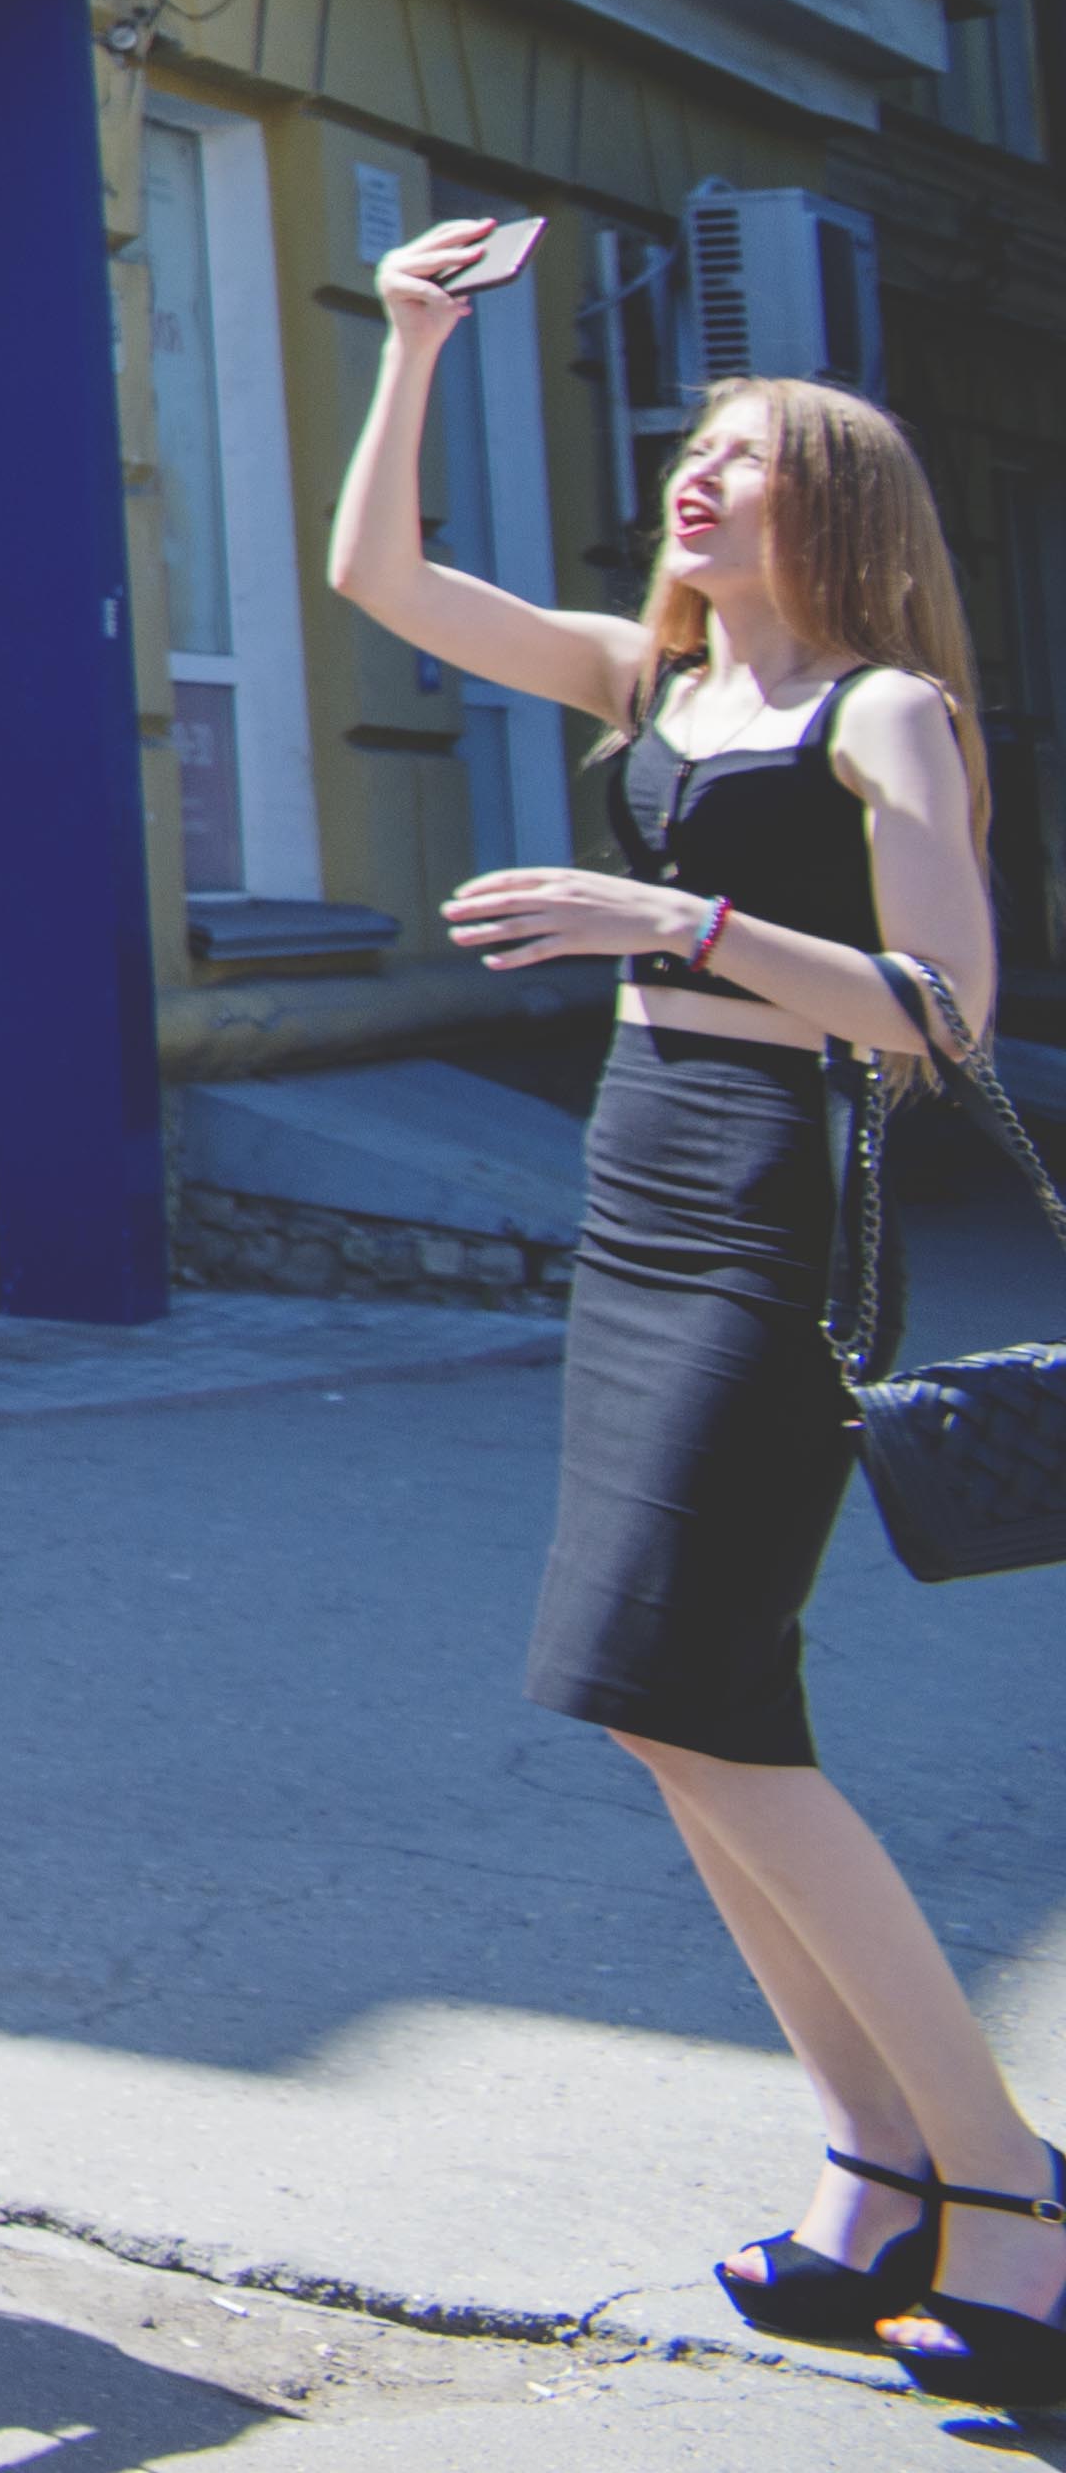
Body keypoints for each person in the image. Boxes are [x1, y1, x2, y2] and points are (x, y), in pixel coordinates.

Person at [330, 259, 1053, 2402]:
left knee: (691, 1693)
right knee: (676, 1704)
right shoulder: (648, 679)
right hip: (636, 1181)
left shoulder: (883, 713)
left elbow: (941, 1016)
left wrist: (673, 915)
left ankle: (1006, 2186)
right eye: (692, 453)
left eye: (743, 458)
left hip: (773, 1197)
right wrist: (410, 343)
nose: (695, 478)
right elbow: (377, 579)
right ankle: (872, 2163)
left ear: (835, 504)